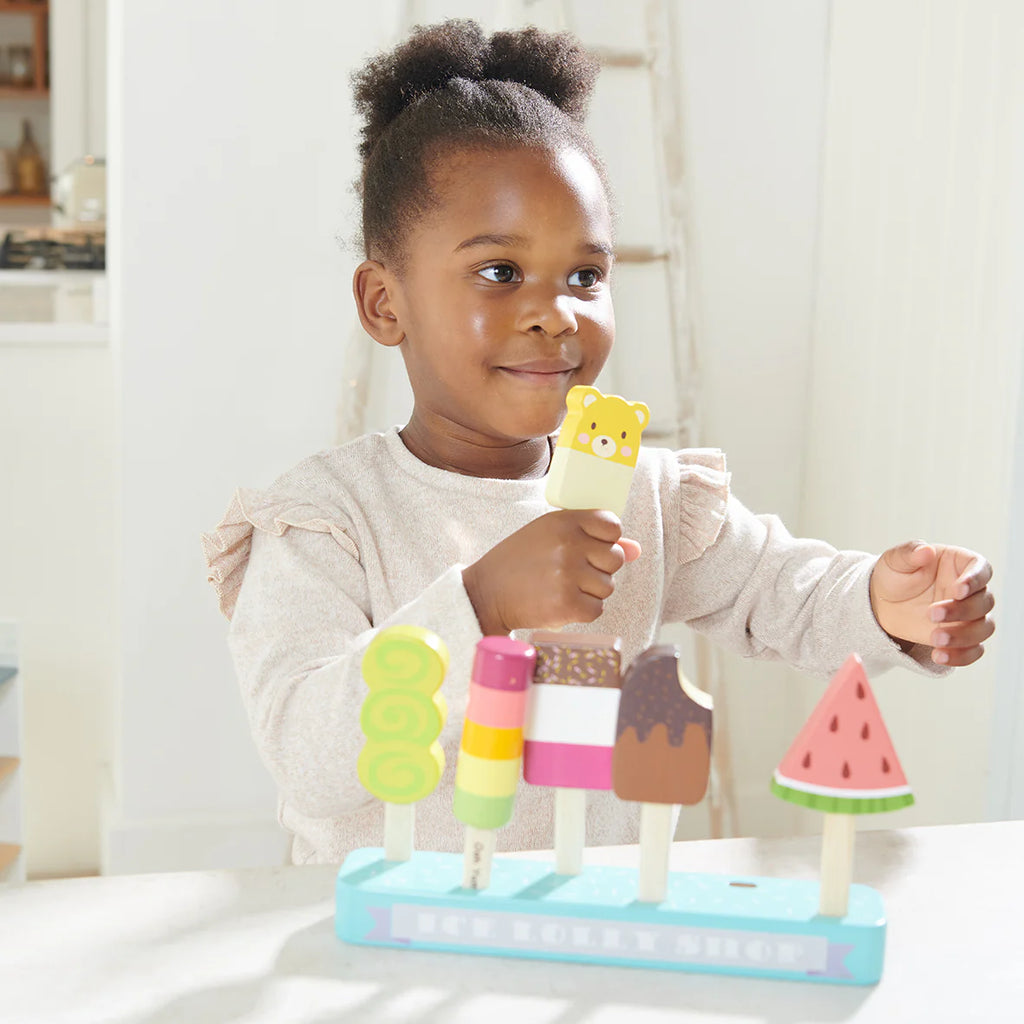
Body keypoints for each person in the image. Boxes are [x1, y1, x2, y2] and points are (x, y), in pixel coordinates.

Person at [202, 20, 994, 866]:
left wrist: (887, 601)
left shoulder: (643, 494)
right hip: (383, 940)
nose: (557, 313)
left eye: (585, 275)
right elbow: (305, 754)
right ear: (384, 304)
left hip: (582, 924)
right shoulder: (325, 520)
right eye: (501, 273)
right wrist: (482, 607)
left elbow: (779, 588)